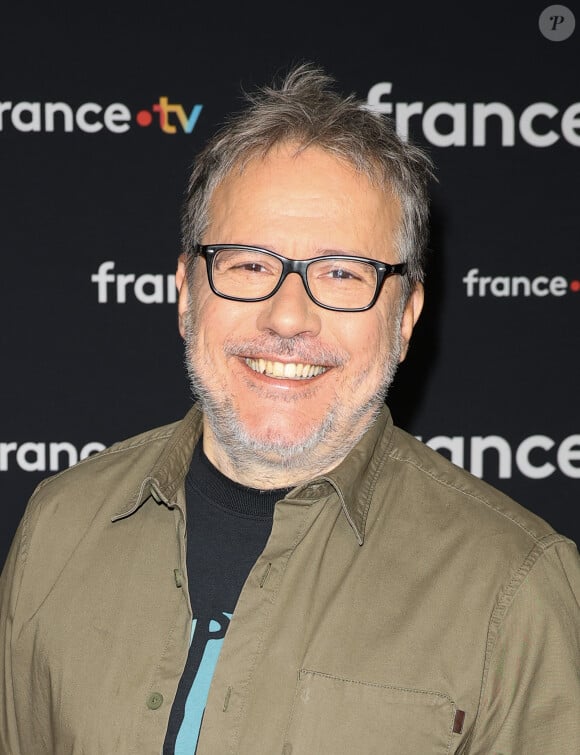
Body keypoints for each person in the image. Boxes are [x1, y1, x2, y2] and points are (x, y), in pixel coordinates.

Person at [1, 63, 579, 755]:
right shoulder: (60, 524)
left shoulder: (513, 587)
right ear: (187, 292)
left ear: (405, 317)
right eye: (249, 263)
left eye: (341, 273)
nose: (286, 315)